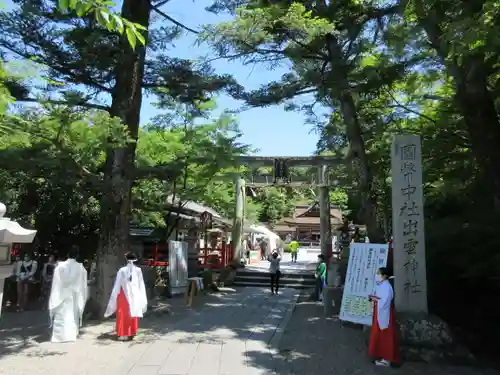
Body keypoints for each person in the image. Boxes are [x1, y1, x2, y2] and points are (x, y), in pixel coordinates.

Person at [104, 252, 148, 341]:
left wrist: (114, 296)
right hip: (134, 294)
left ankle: (123, 333)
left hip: (123, 295)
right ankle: (131, 331)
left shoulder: (122, 270)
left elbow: (117, 284)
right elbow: (141, 284)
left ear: (126, 259)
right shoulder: (138, 270)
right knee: (132, 311)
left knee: (123, 313)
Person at [49, 246, 88, 343]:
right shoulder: (80, 267)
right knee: (72, 315)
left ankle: (59, 336)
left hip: (62, 293)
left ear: (67, 254)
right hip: (74, 294)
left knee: (61, 315)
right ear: (77, 255)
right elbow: (83, 283)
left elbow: (56, 282)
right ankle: (71, 335)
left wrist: (56, 293)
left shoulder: (60, 266)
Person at [368, 267, 400, 367]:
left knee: (386, 334)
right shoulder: (382, 285)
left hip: (384, 313)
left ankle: (387, 359)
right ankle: (382, 355)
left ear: (384, 275)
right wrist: (374, 298)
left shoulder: (387, 287)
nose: (377, 275)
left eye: (379, 273)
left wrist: (375, 299)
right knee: (380, 334)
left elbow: (384, 301)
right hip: (380, 312)